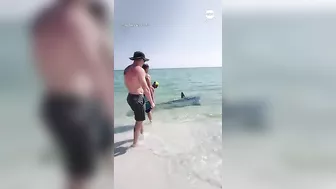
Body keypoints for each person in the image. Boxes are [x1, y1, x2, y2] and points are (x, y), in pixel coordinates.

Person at [32, 0, 114, 189]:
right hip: (78, 108)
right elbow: (97, 69)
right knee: (81, 173)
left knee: (100, 158)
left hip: (56, 103)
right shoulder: (77, 20)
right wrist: (109, 107)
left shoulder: (43, 19)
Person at [124, 51, 155, 147]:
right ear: (140, 60)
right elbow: (146, 88)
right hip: (137, 98)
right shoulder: (140, 70)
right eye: (143, 61)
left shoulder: (127, 69)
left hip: (130, 97)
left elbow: (129, 82)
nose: (144, 63)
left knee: (139, 118)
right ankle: (135, 144)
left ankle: (142, 134)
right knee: (139, 121)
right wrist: (151, 102)